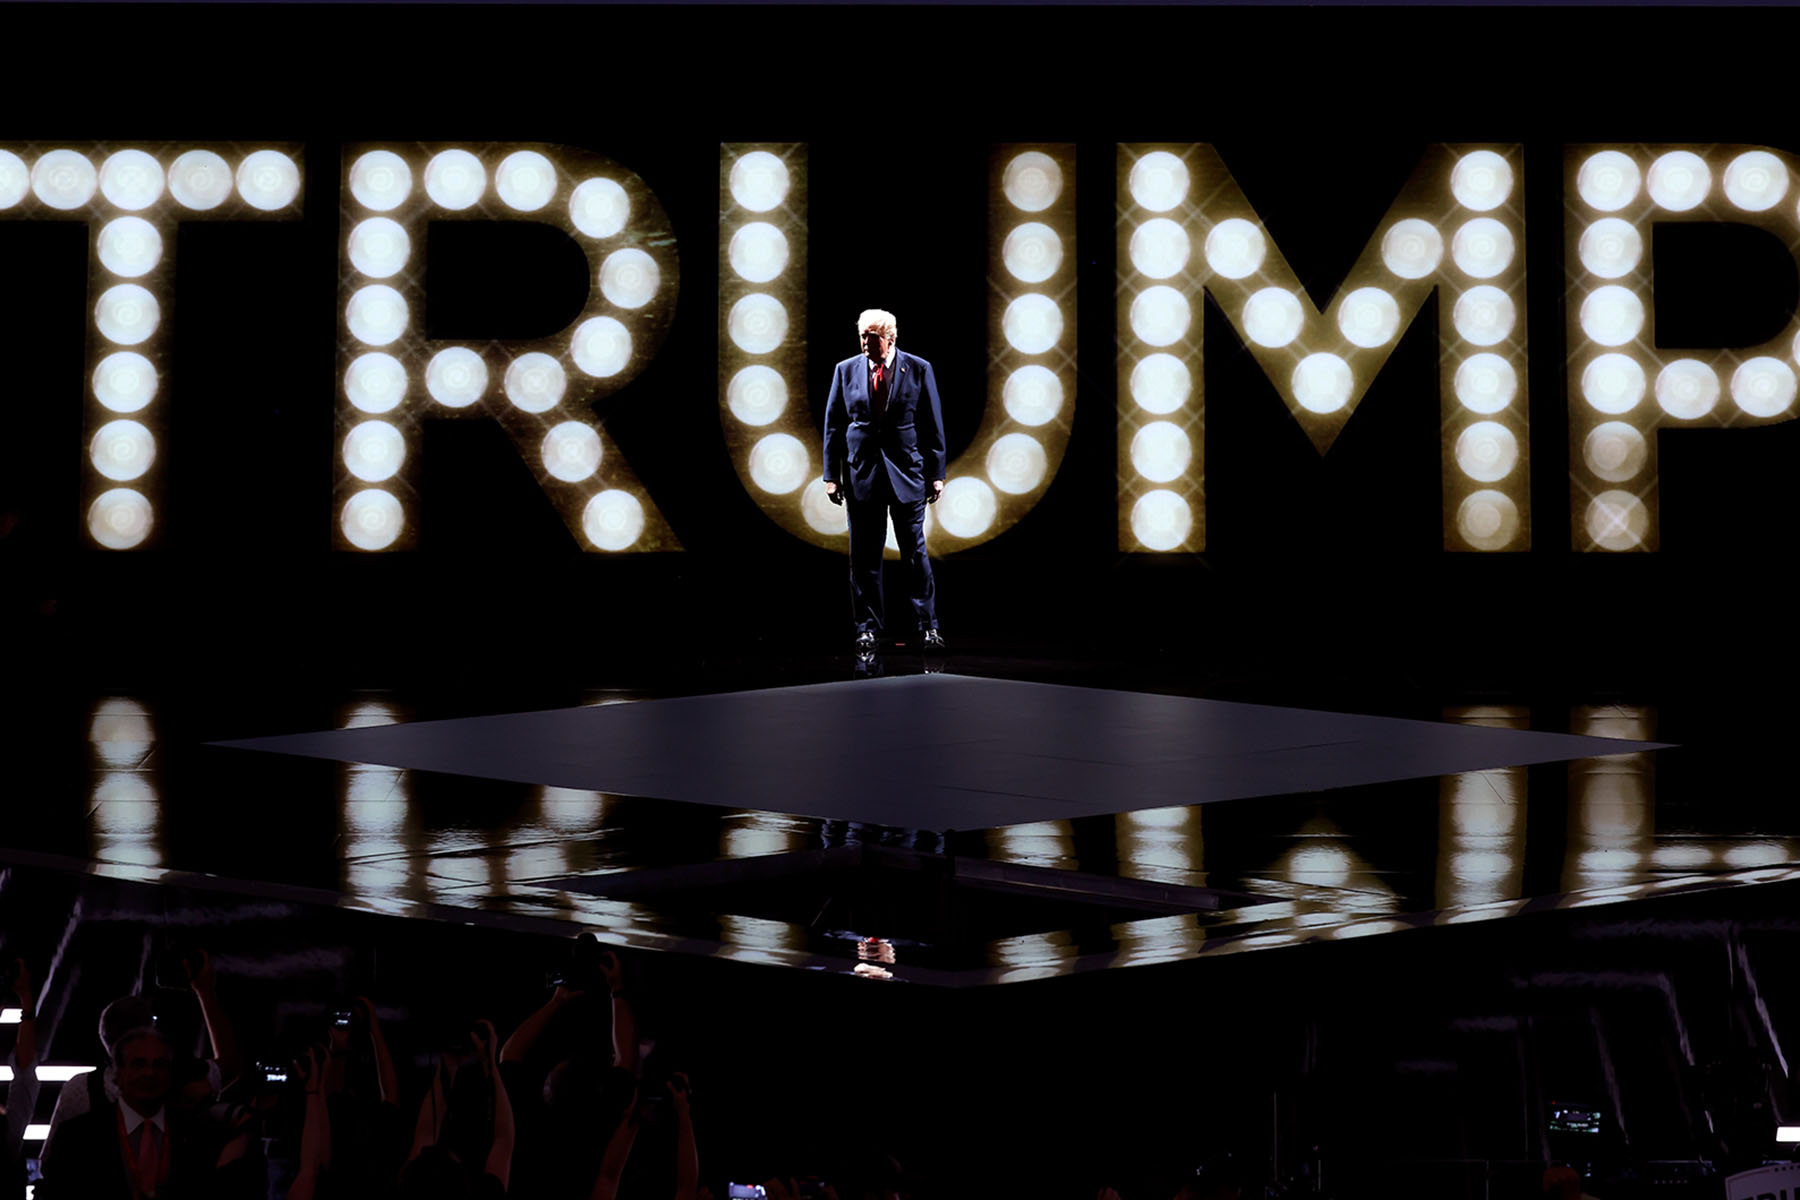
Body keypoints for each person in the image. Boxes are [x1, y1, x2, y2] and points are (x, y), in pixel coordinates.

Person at [822, 309, 947, 652]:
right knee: (864, 557)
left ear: (890, 338)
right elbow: (834, 426)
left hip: (907, 473)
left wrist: (936, 474)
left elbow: (932, 424)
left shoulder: (918, 368)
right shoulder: (845, 370)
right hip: (862, 474)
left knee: (914, 554)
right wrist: (832, 476)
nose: (865, 342)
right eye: (861, 335)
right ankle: (867, 628)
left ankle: (928, 627)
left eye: (872, 337)